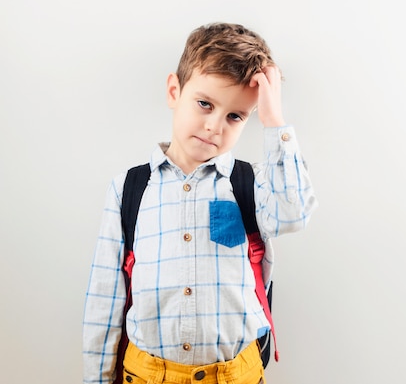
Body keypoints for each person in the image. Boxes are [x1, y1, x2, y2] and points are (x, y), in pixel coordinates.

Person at [83, 22, 318, 384]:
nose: (214, 126)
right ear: (174, 91)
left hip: (235, 374)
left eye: (235, 116)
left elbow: (294, 214)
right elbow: (104, 298)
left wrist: (274, 120)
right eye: (204, 104)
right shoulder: (128, 189)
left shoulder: (251, 183)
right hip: (147, 375)